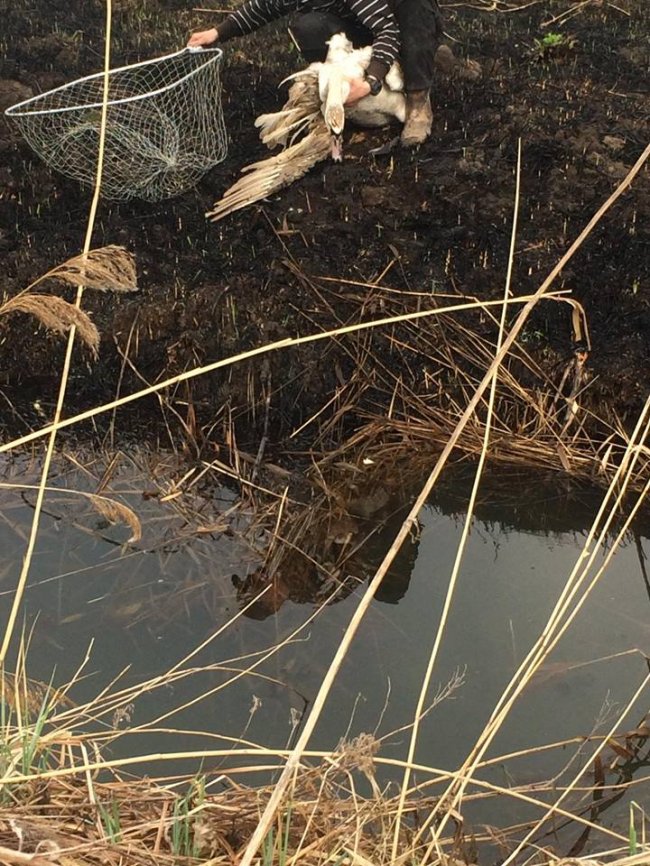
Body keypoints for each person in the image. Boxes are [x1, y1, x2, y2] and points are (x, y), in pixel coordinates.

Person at [187, 0, 444, 147]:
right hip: (362, 25)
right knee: (310, 27)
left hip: (400, 20)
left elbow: (387, 30)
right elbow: (263, 7)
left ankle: (418, 97)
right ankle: (347, 95)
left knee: (413, 8)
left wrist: (371, 81)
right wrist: (218, 32)